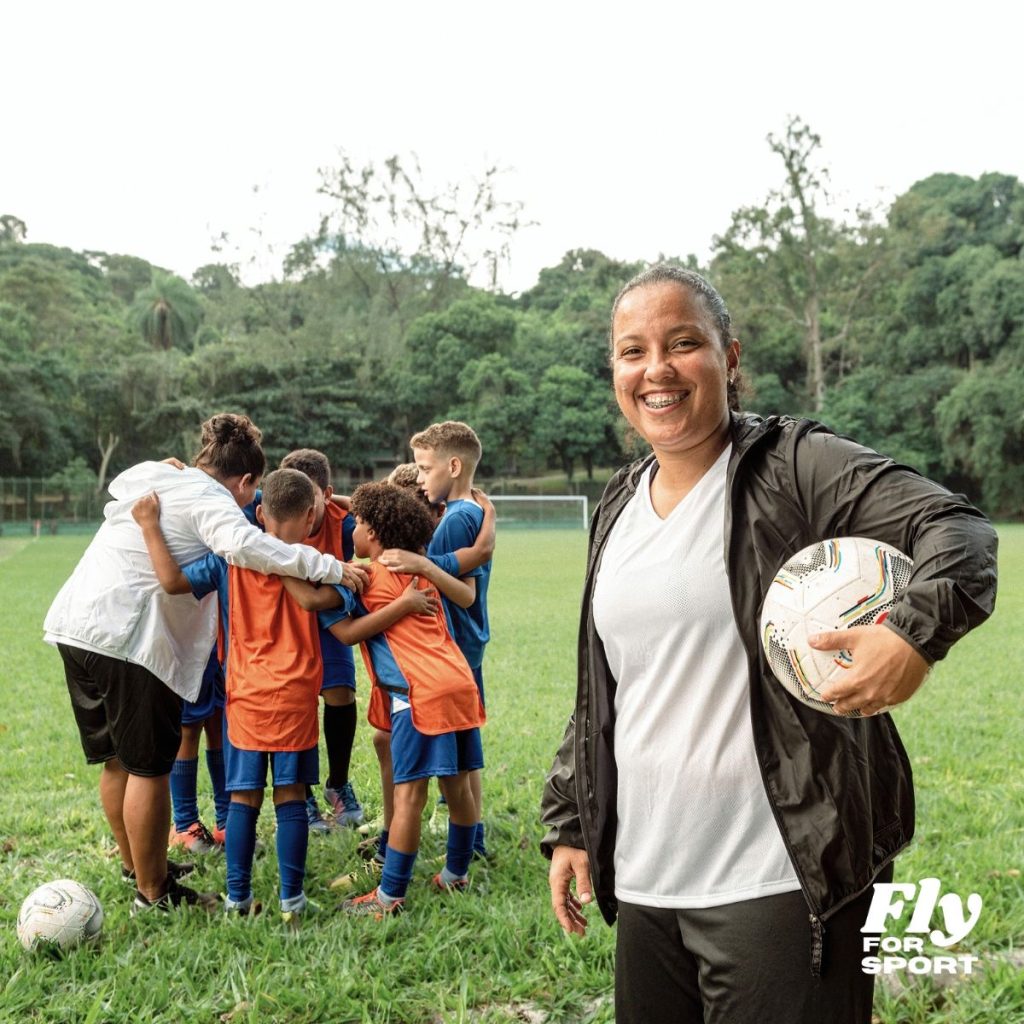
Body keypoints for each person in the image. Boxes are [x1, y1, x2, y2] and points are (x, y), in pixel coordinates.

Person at [539, 265, 998, 1024]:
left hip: (780, 881)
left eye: (683, 343)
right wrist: (571, 821)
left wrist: (911, 638)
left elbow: (960, 531)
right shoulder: (616, 505)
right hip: (650, 885)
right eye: (632, 351)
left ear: (730, 355)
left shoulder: (793, 467)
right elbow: (611, 685)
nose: (656, 368)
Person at [43, 413, 366, 913]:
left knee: (116, 761)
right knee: (148, 767)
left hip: (77, 623)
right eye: (247, 494)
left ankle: (140, 868)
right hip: (129, 639)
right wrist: (333, 567)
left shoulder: (160, 476)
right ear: (244, 482)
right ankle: (154, 894)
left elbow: (120, 482)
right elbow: (246, 545)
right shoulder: (216, 501)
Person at [310, 482, 485, 917]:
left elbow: (341, 626)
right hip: (460, 683)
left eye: (358, 522)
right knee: (458, 785)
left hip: (419, 692)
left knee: (409, 798)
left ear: (372, 531)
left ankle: (388, 898)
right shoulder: (419, 567)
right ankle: (456, 874)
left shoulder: (362, 575)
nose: (352, 528)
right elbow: (468, 580)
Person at [379, 422, 493, 860]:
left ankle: (464, 843)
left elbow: (464, 593)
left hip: (451, 652)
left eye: (425, 470)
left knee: (455, 761)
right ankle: (473, 839)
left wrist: (421, 567)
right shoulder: (472, 508)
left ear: (454, 465)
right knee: (467, 753)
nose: (421, 479)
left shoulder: (456, 521)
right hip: (467, 650)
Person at [279, 448, 364, 832]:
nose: (303, 509)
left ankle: (338, 783)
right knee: (297, 705)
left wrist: (351, 502)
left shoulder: (343, 521)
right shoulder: (272, 513)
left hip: (330, 621)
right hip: (287, 620)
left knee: (341, 694)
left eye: (309, 497)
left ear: (326, 495)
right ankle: (304, 795)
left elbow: (377, 515)